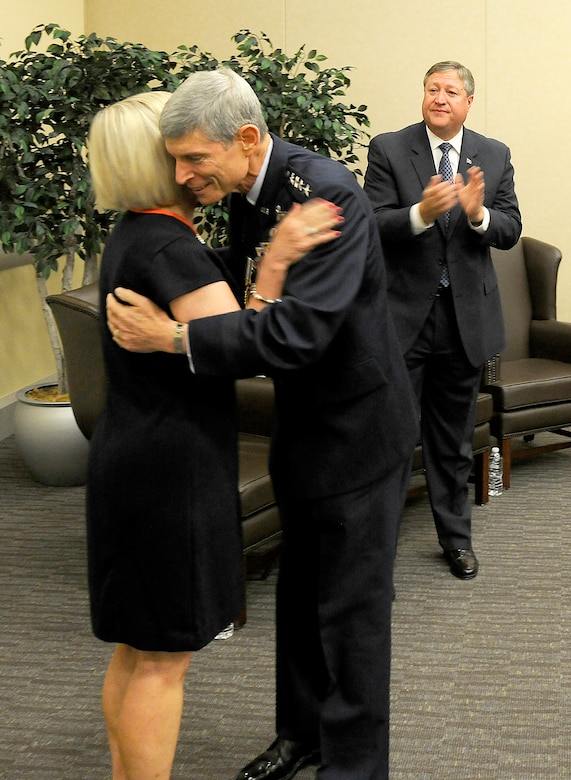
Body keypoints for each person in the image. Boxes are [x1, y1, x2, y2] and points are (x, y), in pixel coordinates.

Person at [105, 69, 418, 780]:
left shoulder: (325, 195)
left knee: (352, 612)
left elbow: (295, 335)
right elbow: (249, 282)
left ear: (246, 139)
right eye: (175, 160)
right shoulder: (254, 189)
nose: (182, 177)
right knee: (301, 596)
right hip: (303, 429)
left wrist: (174, 339)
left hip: (357, 435)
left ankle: (353, 766)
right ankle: (300, 734)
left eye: (193, 160)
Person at [86, 91, 340, 780]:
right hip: (172, 472)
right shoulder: (169, 246)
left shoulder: (139, 234)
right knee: (163, 660)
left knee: (137, 649)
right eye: (184, 152)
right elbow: (245, 346)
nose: (195, 164)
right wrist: (278, 263)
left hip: (132, 457)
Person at [363, 60, 522, 580]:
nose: (440, 97)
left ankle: (456, 541)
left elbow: (510, 228)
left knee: (453, 442)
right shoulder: (389, 148)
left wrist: (477, 216)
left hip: (463, 321)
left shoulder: (494, 155)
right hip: (404, 319)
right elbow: (373, 222)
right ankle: (375, 559)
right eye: (432, 89)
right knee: (390, 441)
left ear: (468, 102)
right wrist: (420, 214)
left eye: (451, 91)